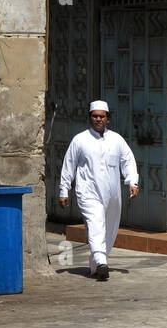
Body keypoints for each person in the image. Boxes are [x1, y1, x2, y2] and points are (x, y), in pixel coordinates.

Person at [59, 100, 139, 281]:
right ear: (90, 118)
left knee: (109, 229)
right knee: (96, 224)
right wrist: (64, 190)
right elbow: (68, 166)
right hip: (88, 192)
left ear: (107, 119)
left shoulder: (116, 140)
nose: (98, 119)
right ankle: (102, 261)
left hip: (112, 193)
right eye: (95, 116)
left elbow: (127, 160)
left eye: (101, 116)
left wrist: (132, 182)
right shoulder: (80, 140)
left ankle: (96, 265)